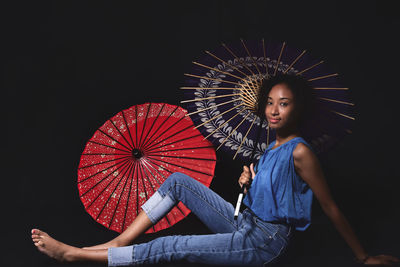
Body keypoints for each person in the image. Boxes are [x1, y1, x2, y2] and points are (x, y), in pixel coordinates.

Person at [32, 74, 399, 266]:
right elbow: (263, 199)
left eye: (283, 104)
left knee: (171, 245)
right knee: (178, 182)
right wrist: (248, 184)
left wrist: (362, 257)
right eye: (270, 103)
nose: (274, 111)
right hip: (247, 223)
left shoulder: (300, 151)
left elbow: (330, 205)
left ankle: (75, 255)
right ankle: (117, 244)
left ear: (297, 110)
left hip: (265, 243)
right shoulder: (272, 146)